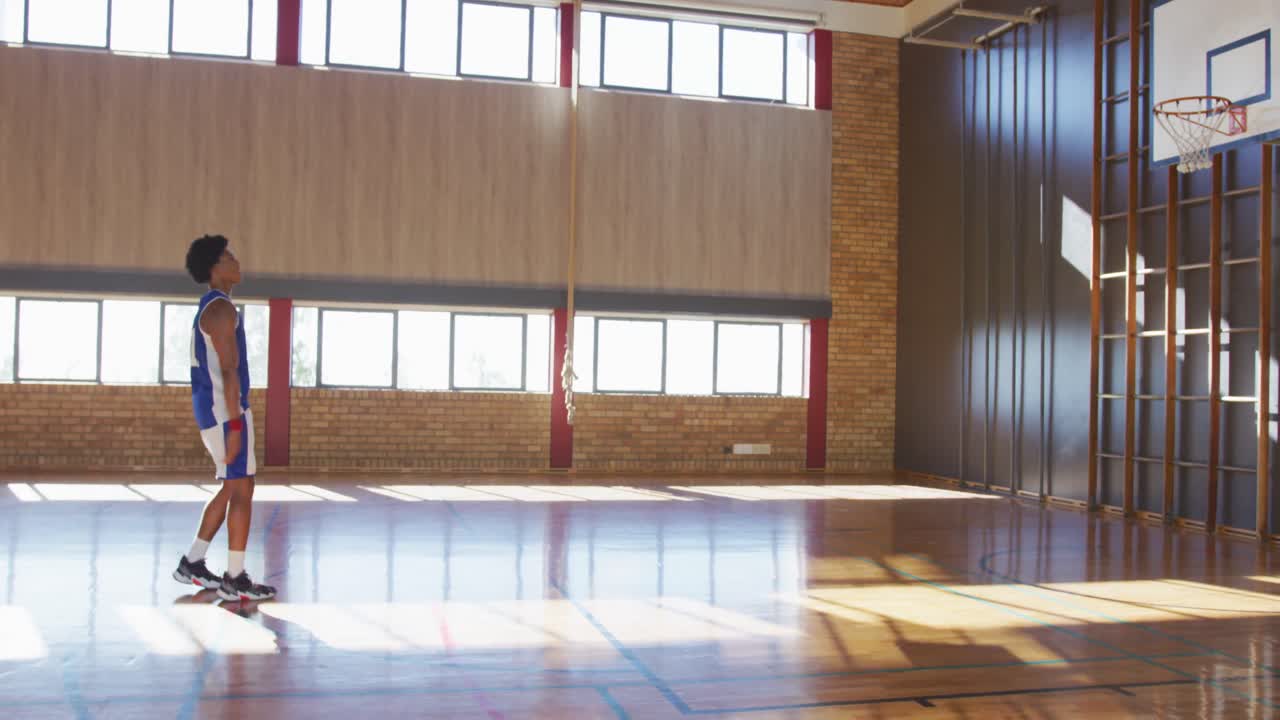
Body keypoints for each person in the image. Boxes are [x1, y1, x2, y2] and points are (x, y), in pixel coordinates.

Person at [172, 234, 276, 603]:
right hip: (224, 412)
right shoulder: (220, 310)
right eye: (230, 257)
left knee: (236, 487)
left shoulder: (215, 307)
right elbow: (229, 371)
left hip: (216, 411)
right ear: (217, 268)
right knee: (242, 489)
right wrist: (234, 425)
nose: (237, 261)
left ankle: (195, 562)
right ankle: (234, 577)